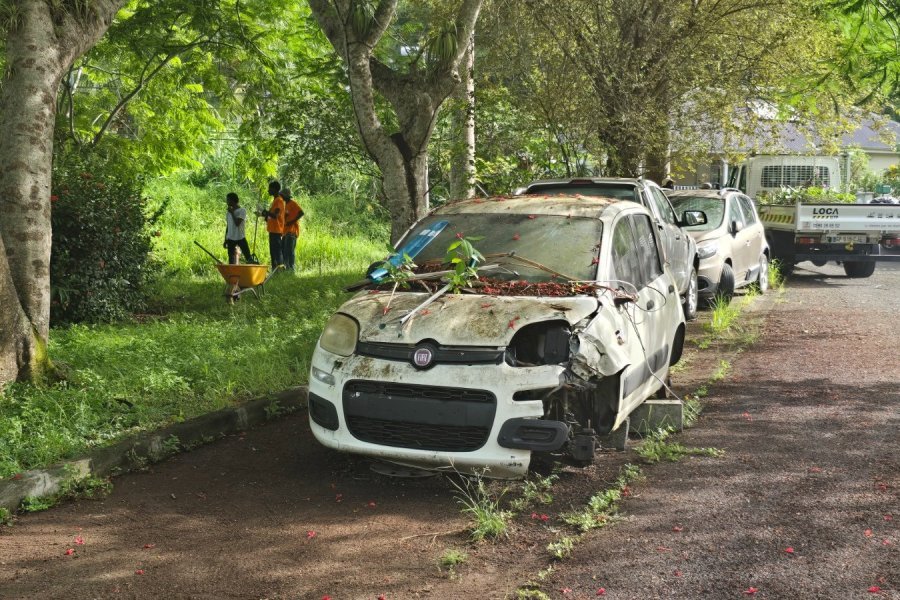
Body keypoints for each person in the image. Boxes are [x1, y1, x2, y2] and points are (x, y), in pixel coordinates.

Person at [259, 180, 285, 267]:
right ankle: (275, 270)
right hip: (272, 230)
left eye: (270, 188)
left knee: (277, 252)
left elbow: (275, 215)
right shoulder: (275, 200)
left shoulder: (279, 200)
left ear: (275, 189)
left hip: (276, 231)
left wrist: (265, 211)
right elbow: (270, 217)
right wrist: (263, 214)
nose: (268, 190)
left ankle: (279, 270)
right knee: (273, 252)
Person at [224, 192, 252, 264]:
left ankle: (253, 271)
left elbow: (237, 223)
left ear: (232, 201)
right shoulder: (228, 213)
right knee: (231, 259)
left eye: (228, 200)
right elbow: (228, 226)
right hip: (230, 238)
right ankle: (233, 273)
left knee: (248, 256)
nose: (227, 202)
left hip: (240, 237)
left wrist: (232, 212)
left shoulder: (242, 210)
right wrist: (225, 239)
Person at [281, 188, 304, 272]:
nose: (281, 197)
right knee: (284, 251)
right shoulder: (285, 205)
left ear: (286, 196)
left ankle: (291, 268)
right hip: (285, 232)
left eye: (282, 195)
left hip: (292, 231)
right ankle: (286, 268)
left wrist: (292, 221)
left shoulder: (293, 203)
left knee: (290, 251)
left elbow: (301, 213)